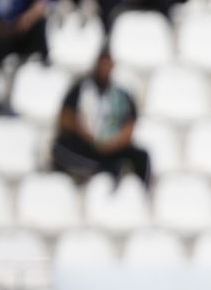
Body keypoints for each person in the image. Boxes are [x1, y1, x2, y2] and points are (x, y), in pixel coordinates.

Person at [51, 47, 151, 186]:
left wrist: (114, 143)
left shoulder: (121, 94)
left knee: (141, 156)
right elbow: (66, 118)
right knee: (60, 148)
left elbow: (130, 124)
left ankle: (142, 192)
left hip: (112, 147)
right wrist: (88, 136)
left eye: (107, 64)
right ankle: (100, 170)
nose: (104, 68)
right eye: (102, 63)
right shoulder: (81, 89)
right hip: (86, 144)